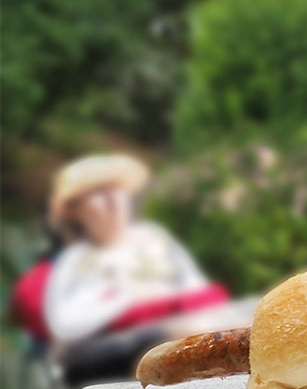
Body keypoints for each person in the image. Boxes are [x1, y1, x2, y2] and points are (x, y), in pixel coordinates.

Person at [42, 154, 230, 376]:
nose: (112, 199)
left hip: (181, 329)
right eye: (98, 193)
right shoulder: (77, 260)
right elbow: (65, 326)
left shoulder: (156, 238)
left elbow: (196, 289)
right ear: (77, 210)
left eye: (116, 190)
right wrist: (125, 299)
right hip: (110, 351)